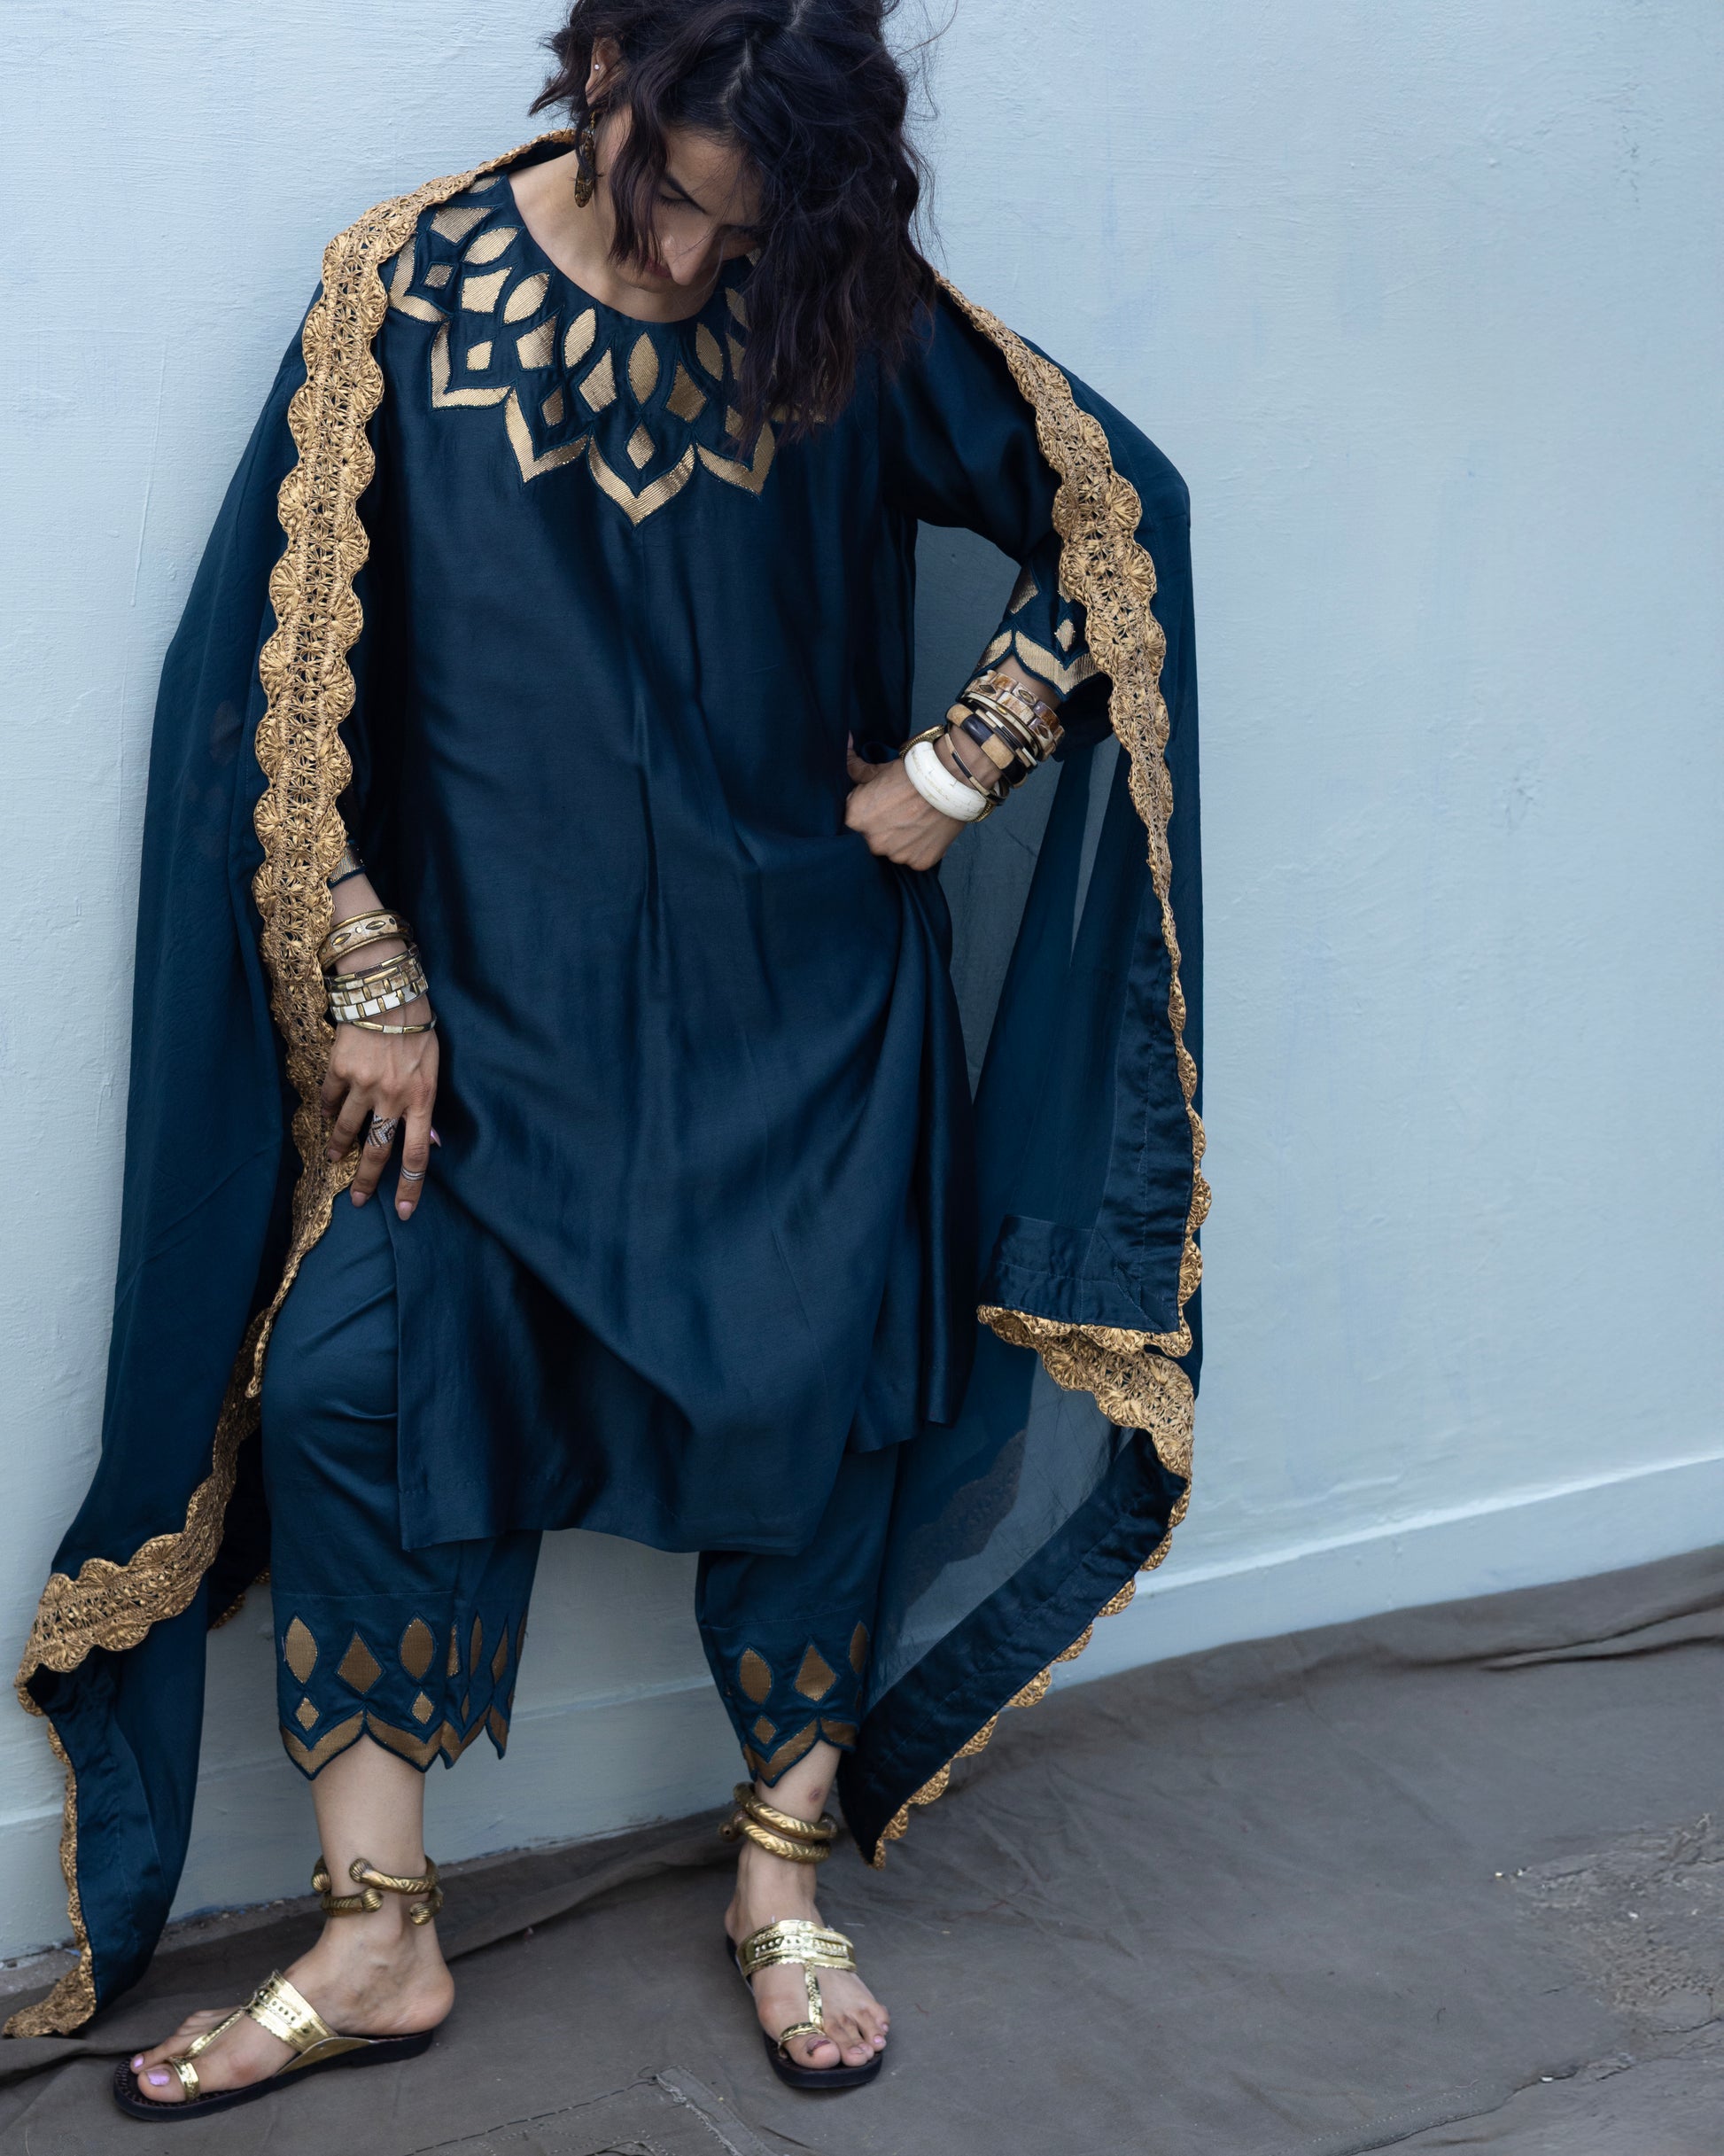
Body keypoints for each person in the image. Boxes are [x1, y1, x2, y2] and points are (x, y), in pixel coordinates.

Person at [11, 0, 1205, 2115]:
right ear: (602, 81)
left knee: (825, 1405)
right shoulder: (401, 290)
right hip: (488, 1045)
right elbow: (273, 676)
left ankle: (779, 1877)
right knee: (354, 1381)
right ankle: (376, 1930)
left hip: (806, 1021)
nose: (685, 255)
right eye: (670, 198)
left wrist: (960, 760)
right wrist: (363, 966)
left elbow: (1119, 511)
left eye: (732, 228)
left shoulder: (831, 307)